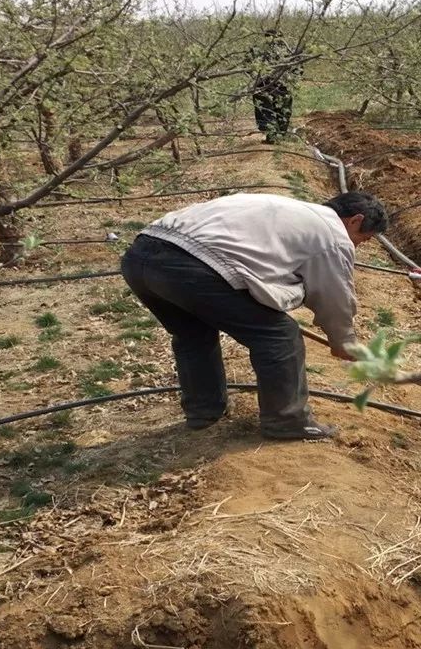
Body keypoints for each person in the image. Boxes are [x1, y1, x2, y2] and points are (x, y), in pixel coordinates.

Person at [120, 190, 388, 440]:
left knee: (193, 333)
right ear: (355, 220)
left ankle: (204, 412)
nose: (359, 246)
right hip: (190, 266)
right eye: (363, 239)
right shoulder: (332, 235)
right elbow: (333, 296)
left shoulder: (289, 209)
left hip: (141, 254)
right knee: (279, 336)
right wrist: (343, 341)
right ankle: (287, 421)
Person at [249, 28, 299, 143]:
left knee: (266, 110)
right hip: (281, 85)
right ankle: (279, 135)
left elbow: (248, 67)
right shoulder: (289, 50)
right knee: (282, 109)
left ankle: (273, 136)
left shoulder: (257, 50)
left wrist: (256, 79)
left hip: (264, 85)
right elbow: (298, 68)